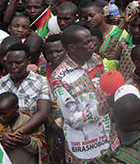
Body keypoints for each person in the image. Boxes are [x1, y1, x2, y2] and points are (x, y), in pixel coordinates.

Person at [50, 25, 117, 163]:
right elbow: (73, 118)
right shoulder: (59, 77)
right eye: (87, 43)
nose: (92, 45)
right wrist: (104, 106)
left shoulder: (96, 60)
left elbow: (107, 87)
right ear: (71, 48)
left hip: (109, 139)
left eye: (91, 40)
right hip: (84, 149)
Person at [0, 92, 42, 164]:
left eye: (4, 114)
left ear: (16, 108)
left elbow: (41, 148)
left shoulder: (28, 121)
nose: (0, 118)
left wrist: (28, 141)